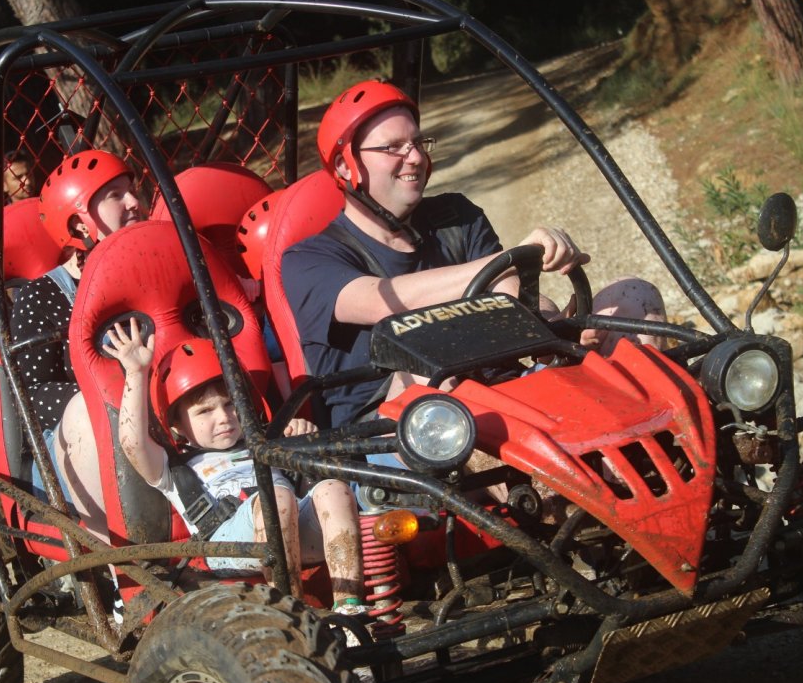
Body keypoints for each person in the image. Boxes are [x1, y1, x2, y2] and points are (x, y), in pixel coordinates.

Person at [281, 79, 667, 429]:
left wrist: (559, 325)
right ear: (346, 167)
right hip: (387, 435)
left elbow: (509, 296)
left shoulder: (456, 215)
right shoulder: (308, 260)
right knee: (431, 371)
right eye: (393, 148)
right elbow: (386, 300)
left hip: (496, 394)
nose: (414, 157)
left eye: (417, 143)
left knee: (633, 296)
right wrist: (517, 254)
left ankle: (652, 436)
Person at [103, 323, 366, 612]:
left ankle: (350, 605)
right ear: (175, 424)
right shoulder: (171, 468)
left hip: (289, 531)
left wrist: (301, 443)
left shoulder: (267, 442)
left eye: (230, 404)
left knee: (334, 490)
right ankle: (292, 610)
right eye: (205, 411)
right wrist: (136, 373)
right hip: (226, 544)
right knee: (274, 499)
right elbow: (133, 443)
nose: (225, 417)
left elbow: (308, 492)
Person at [9, 149, 143, 540]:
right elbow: (31, 394)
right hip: (79, 443)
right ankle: (123, 571)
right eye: (116, 195)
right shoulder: (43, 296)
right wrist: (122, 394)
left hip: (159, 424)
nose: (135, 201)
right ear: (79, 222)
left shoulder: (156, 266)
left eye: (132, 190)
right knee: (88, 409)